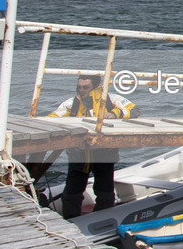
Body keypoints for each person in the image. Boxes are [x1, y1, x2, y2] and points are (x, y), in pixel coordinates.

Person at [47, 73, 135, 219]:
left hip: (104, 152)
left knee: (104, 190)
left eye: (85, 87)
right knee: (72, 190)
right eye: (79, 87)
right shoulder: (71, 103)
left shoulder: (112, 99)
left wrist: (114, 113)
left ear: (95, 87)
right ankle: (71, 218)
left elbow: (133, 109)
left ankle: (103, 218)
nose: (81, 90)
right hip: (79, 153)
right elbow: (54, 116)